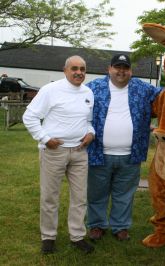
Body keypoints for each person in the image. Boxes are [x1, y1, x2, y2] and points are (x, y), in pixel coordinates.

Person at [23, 55, 95, 254]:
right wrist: (45, 139)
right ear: (65, 70)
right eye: (74, 68)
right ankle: (48, 237)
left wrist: (91, 133)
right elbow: (29, 116)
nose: (79, 72)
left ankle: (77, 236)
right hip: (54, 152)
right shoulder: (50, 90)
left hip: (80, 152)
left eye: (82, 69)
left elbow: (88, 121)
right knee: (50, 197)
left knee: (80, 197)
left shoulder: (88, 92)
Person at [86, 54, 162, 241]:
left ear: (131, 71)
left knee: (125, 194)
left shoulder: (142, 88)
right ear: (109, 69)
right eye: (117, 67)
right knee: (96, 193)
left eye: (125, 68)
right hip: (98, 153)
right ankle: (97, 225)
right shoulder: (93, 88)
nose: (121, 71)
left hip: (131, 154)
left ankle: (120, 226)